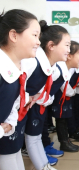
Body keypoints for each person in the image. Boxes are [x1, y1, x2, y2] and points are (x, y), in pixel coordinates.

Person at [24, 20, 71, 170]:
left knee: (34, 138)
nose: (69, 50)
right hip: (22, 110)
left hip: (34, 106)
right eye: (67, 45)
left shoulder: (49, 65)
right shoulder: (32, 62)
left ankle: (44, 165)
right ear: (51, 46)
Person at [0, 9, 40, 170]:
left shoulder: (16, 70)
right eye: (35, 35)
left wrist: (10, 121)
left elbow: (14, 103)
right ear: (14, 35)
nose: (38, 42)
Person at [50, 41, 79, 152]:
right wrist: (73, 92)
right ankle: (63, 143)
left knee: (64, 119)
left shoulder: (68, 67)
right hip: (59, 99)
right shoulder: (61, 67)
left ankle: (66, 140)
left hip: (64, 99)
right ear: (69, 56)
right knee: (61, 120)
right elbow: (67, 89)